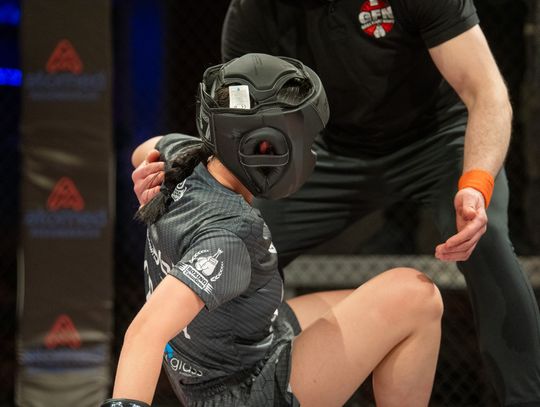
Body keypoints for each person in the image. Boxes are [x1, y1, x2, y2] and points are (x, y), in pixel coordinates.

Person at [133, 1, 540, 405]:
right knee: (235, 233)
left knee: (485, 239)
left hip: (435, 141)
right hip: (325, 151)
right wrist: (173, 176)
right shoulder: (255, 10)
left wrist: (476, 183)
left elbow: (486, 91)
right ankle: (225, 386)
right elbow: (235, 129)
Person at [103, 53, 443, 407]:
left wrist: (147, 176)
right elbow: (145, 333)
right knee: (416, 296)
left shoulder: (181, 157)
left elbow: (144, 152)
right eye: (303, 139)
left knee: (363, 306)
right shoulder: (231, 234)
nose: (309, 151)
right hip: (243, 394)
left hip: (226, 354)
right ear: (263, 146)